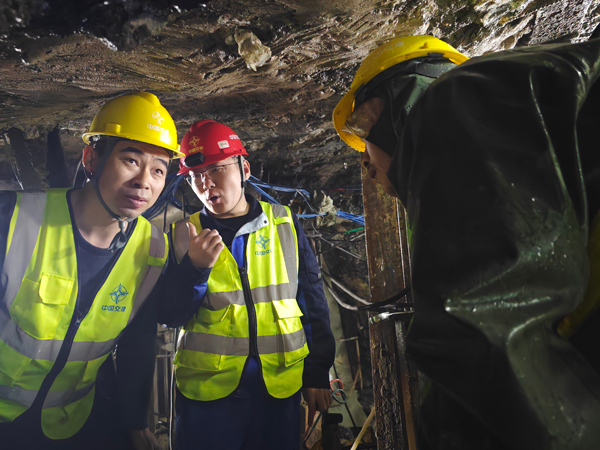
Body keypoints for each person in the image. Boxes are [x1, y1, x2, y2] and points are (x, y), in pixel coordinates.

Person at [332, 35, 600, 450]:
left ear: (399, 101)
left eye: (364, 127)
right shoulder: (516, 118)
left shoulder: (450, 104)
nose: (364, 159)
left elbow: (484, 352)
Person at [0, 91, 196, 450]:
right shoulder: (13, 219)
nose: (144, 182)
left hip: (71, 424)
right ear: (91, 158)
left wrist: (134, 422)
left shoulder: (153, 249)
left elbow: (139, 341)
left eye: (158, 170)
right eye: (131, 160)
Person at [160, 120, 335, 450]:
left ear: (245, 169)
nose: (205, 183)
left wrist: (316, 372)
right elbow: (170, 314)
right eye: (195, 176)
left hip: (278, 390)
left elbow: (311, 299)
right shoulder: (182, 235)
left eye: (216, 169)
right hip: (209, 398)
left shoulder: (283, 223)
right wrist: (194, 270)